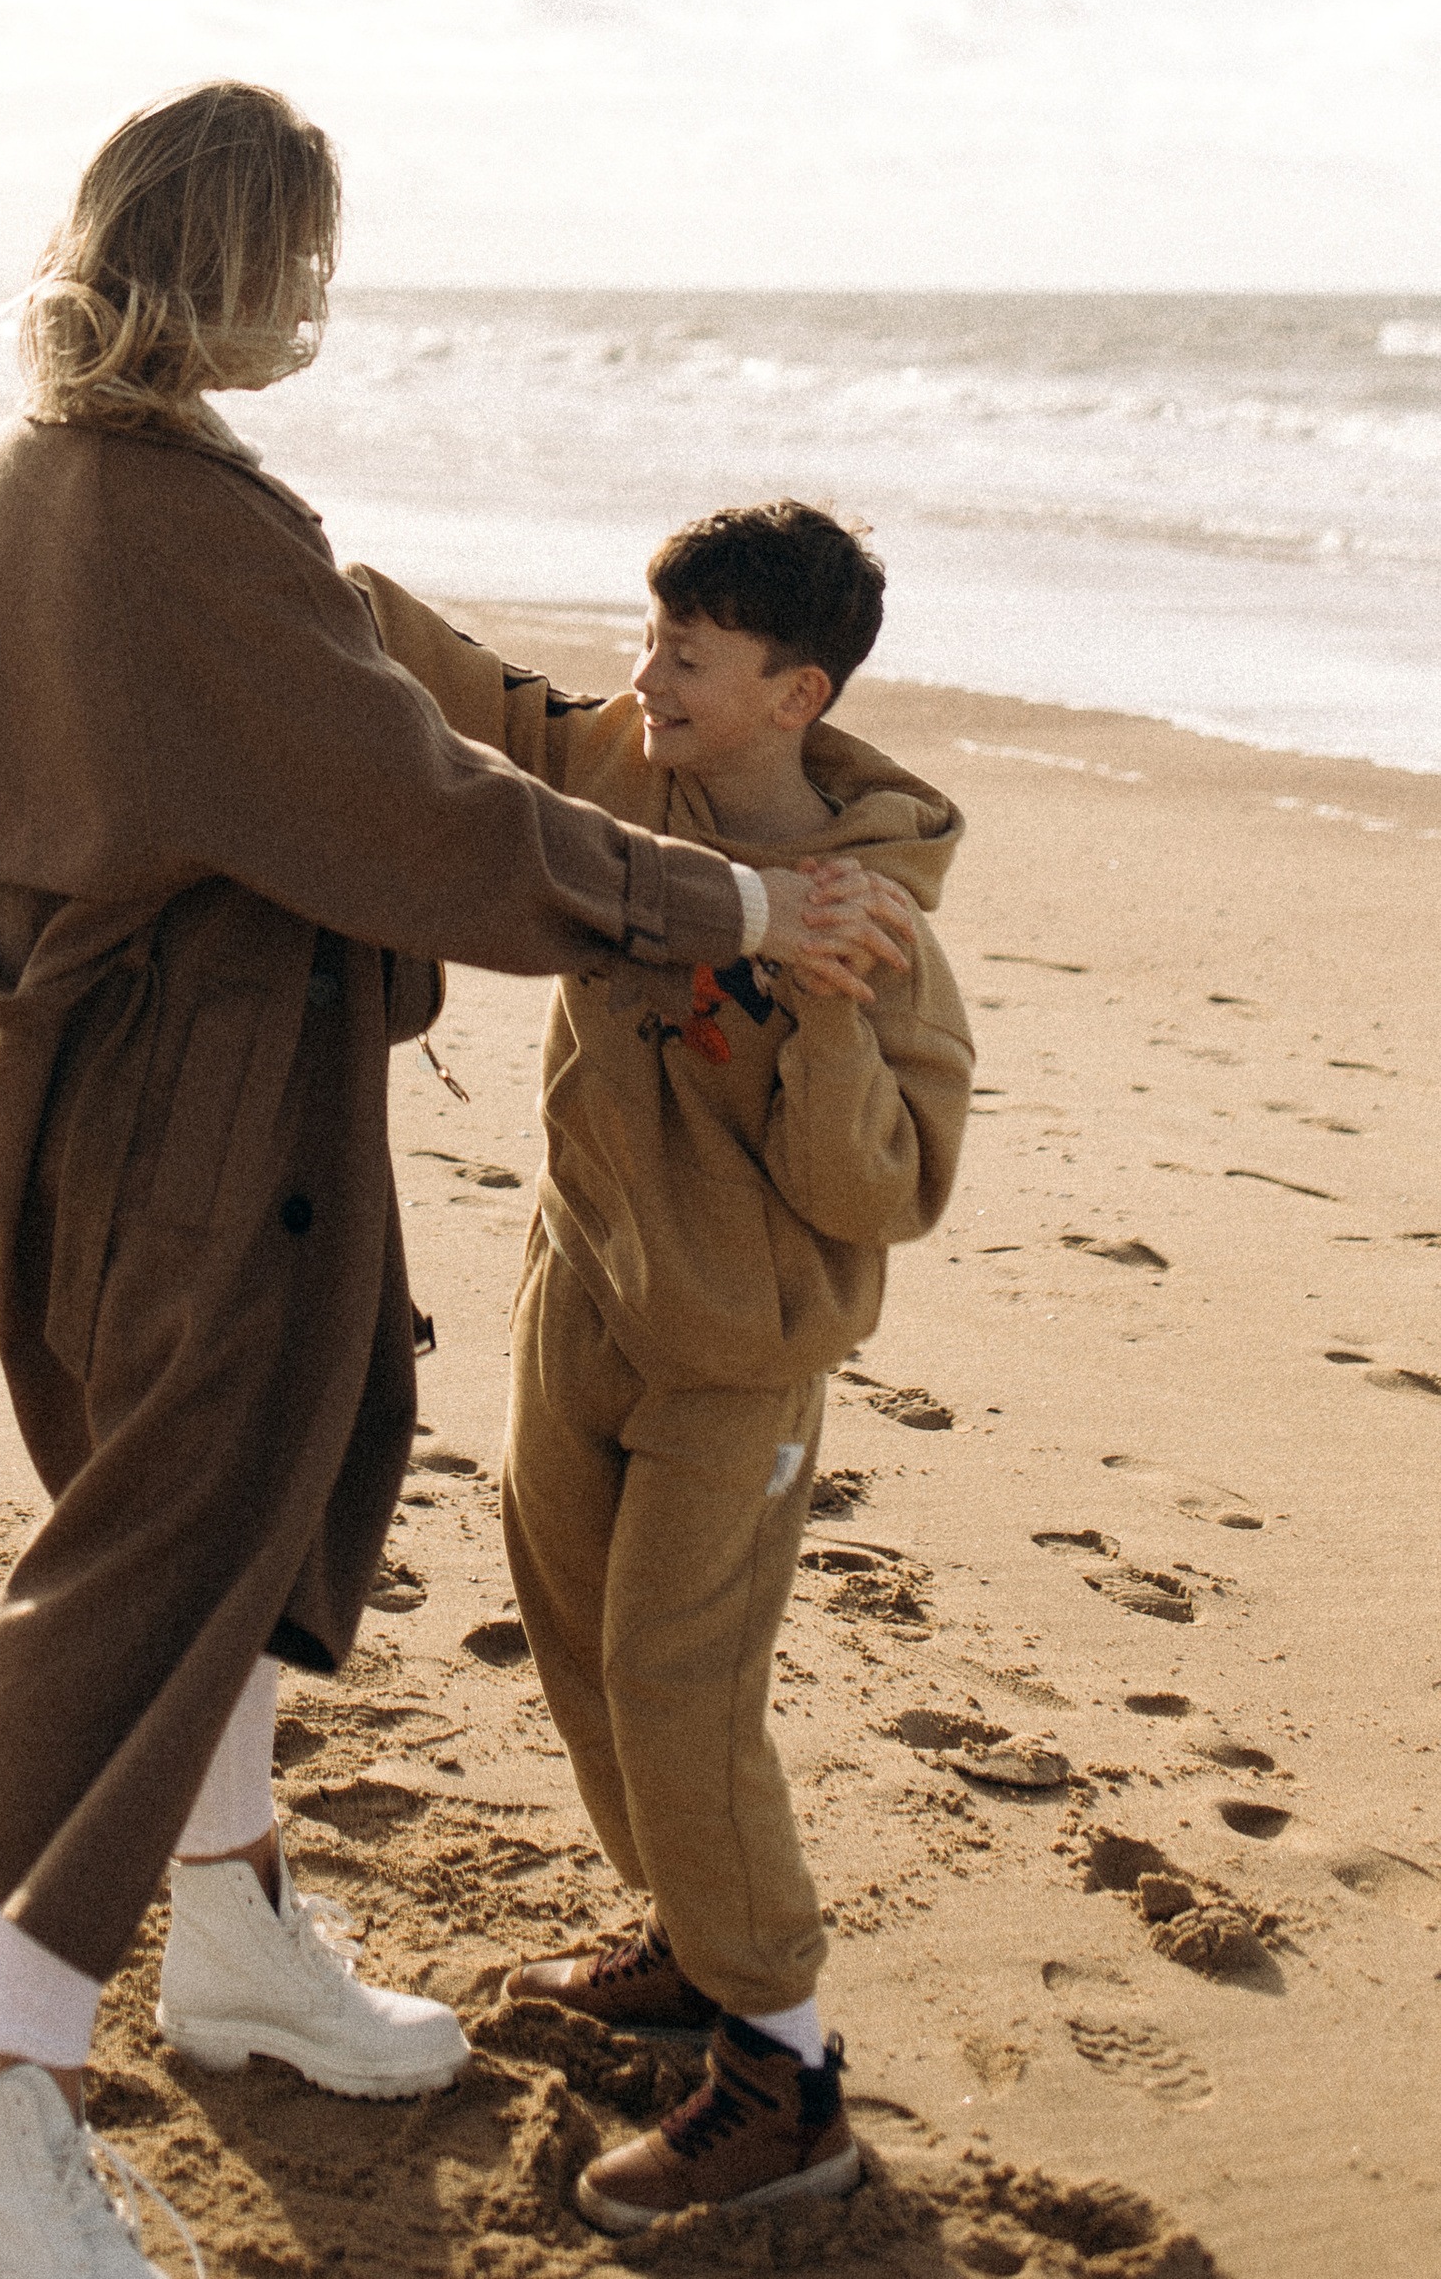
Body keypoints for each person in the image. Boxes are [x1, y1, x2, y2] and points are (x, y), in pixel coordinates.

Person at [0, 90, 915, 2279]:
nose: (323, 297)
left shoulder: (10, 476)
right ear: (243, 270)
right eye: (305, 256)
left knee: (257, 1498)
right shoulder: (174, 521)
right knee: (162, 1557)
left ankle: (233, 1946)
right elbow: (428, 814)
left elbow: (42, 778)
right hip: (195, 1123)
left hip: (59, 1090)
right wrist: (721, 914)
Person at [351, 501, 972, 2231]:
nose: (647, 682)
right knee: (569, 1625)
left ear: (797, 692)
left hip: (737, 1362)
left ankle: (784, 2077)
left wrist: (822, 1003)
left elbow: (885, 1193)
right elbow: (498, 701)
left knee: (678, 1680)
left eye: (686, 661)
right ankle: (692, 1948)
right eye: (651, 643)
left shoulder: (883, 931)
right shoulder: (633, 773)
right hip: (584, 1298)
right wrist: (301, 563)